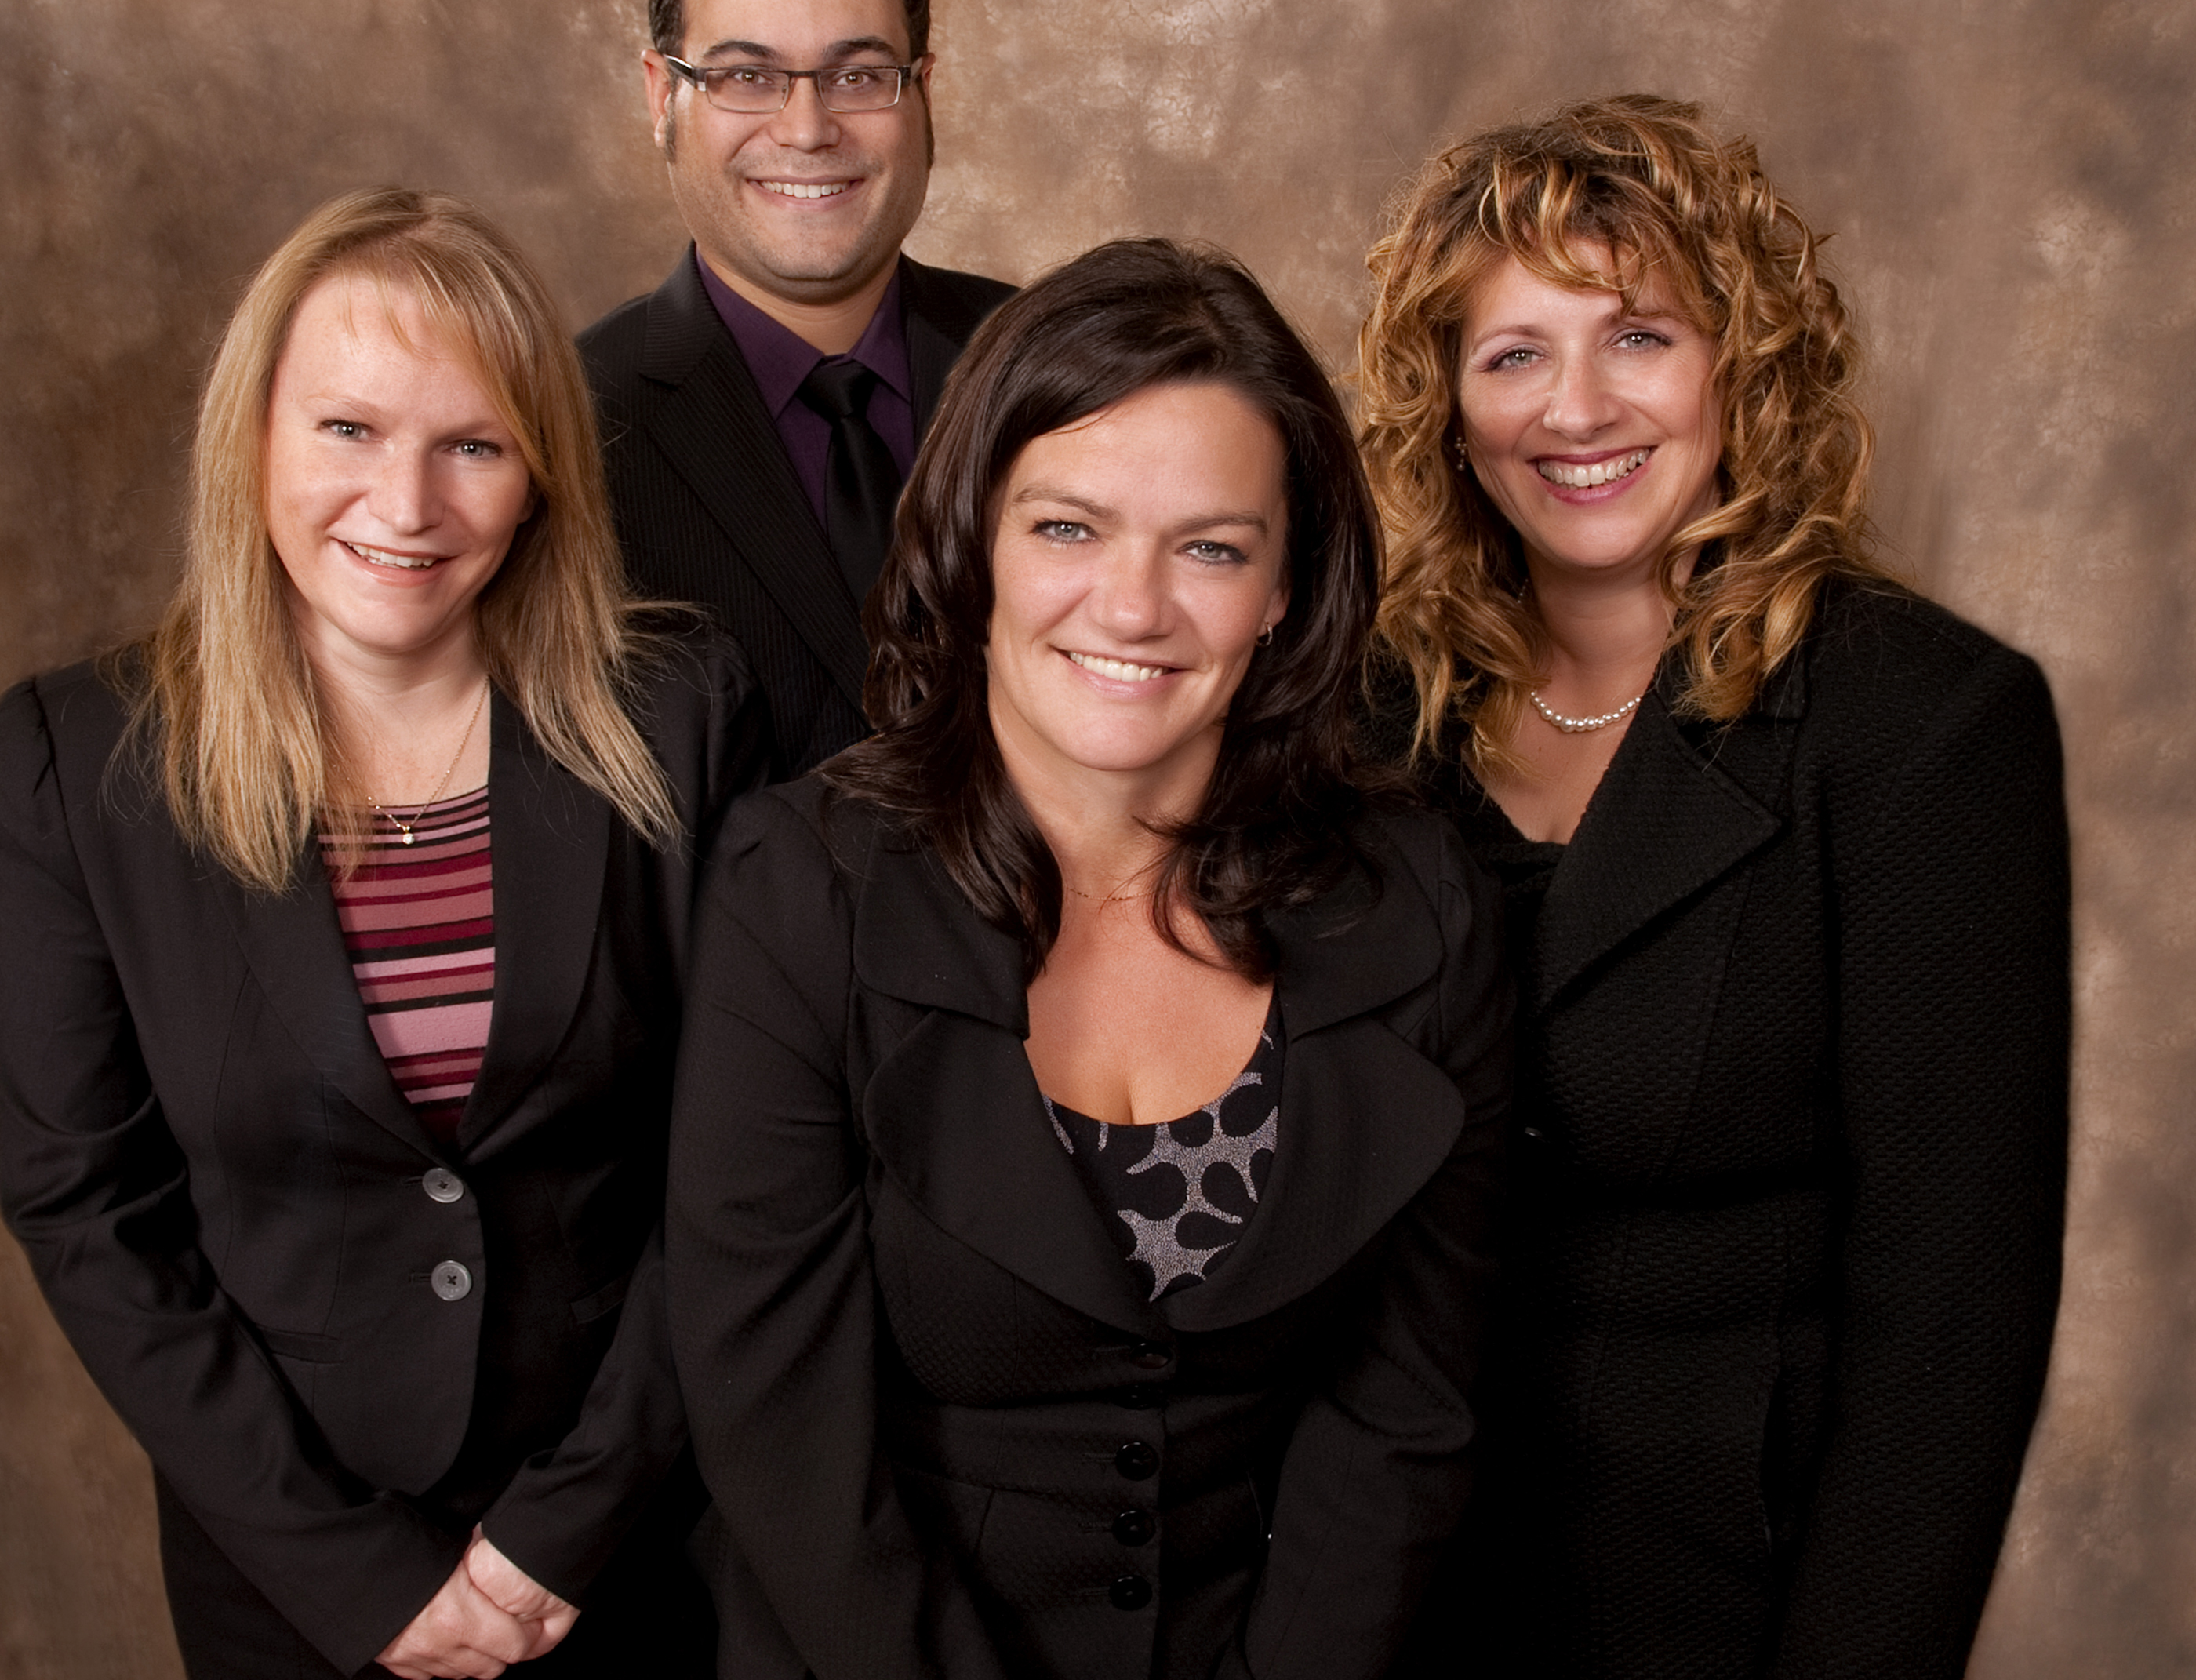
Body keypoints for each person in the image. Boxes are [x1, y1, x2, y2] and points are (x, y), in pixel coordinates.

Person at [667, 238, 1516, 1680]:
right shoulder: (798, 891)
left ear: (1284, 593)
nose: (1133, 608)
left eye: (1211, 548)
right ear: (974, 539)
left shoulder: (1417, 905)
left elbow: (1402, 1417)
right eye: (1068, 528)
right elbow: (783, 1435)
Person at [0, 187, 767, 1679]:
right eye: (347, 431)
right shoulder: (77, 763)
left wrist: (569, 1529)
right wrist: (358, 1582)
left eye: (471, 445)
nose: (406, 508)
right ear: (255, 438)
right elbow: (88, 1215)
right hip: (288, 1578)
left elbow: (741, 1166)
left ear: (538, 475)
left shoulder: (679, 714)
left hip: (633, 1549)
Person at [1354, 95, 2071, 1678]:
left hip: (1726, 1608)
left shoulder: (1923, 727)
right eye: (1514, 351)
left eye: (1640, 338)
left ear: (1743, 365)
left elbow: (1951, 1328)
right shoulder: (1365, 716)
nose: (1575, 407)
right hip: (1383, 1596)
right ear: (1447, 403)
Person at [582, 0, 1016, 782]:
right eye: (748, 77)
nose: (809, 128)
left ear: (922, 91)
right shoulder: (565, 422)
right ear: (662, 94)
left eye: (858, 76)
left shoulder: (1051, 362)